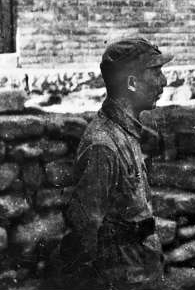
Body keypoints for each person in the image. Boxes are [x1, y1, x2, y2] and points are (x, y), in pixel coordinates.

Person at [55, 38, 172, 290]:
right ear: (132, 83)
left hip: (141, 268)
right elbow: (84, 228)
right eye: (155, 72)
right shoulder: (103, 144)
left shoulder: (125, 132)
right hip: (122, 278)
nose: (164, 81)